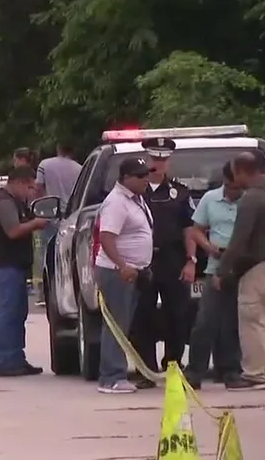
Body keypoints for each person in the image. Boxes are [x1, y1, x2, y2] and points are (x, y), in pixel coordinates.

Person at [215, 152, 265, 391]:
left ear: (240, 171)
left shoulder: (252, 198)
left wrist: (222, 270)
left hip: (260, 265)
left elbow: (240, 238)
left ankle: (254, 374)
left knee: (252, 320)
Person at [128, 137, 196, 390]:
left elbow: (189, 229)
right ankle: (145, 369)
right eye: (154, 158)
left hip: (172, 259)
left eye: (163, 159)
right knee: (141, 315)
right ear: (147, 160)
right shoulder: (135, 192)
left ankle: (174, 365)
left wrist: (191, 260)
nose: (158, 164)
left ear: (169, 162)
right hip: (142, 261)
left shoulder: (180, 192)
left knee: (177, 315)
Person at [95, 158, 154, 393]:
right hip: (117, 271)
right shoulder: (117, 203)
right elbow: (107, 236)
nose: (145, 180)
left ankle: (115, 374)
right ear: (126, 178)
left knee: (124, 322)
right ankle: (111, 377)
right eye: (140, 177)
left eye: (146, 175)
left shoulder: (135, 200)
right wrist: (122, 265)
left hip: (132, 270)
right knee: (116, 324)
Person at [184, 162, 244, 390]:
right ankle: (194, 372)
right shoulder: (210, 199)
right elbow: (195, 229)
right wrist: (209, 247)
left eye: (238, 188)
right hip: (216, 265)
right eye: (230, 187)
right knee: (205, 321)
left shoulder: (248, 201)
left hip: (242, 267)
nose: (233, 192)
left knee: (233, 322)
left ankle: (230, 371)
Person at [0, 166, 49, 377]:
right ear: (20, 183)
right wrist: (36, 224)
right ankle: (4, 361)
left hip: (15, 266)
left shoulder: (16, 202)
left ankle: (15, 358)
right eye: (30, 187)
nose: (32, 192)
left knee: (17, 314)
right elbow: (13, 231)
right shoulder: (4, 202)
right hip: (6, 266)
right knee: (7, 314)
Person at [34, 142, 83, 306]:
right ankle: (69, 294)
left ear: (58, 148)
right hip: (72, 217)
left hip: (51, 216)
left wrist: (42, 207)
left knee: (46, 255)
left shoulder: (45, 165)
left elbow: (38, 188)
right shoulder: (80, 168)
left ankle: (45, 293)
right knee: (69, 256)